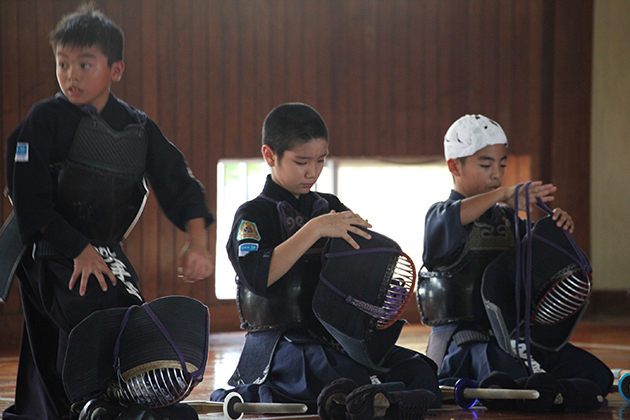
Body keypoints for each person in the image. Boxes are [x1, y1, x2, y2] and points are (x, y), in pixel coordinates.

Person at [3, 4, 214, 420]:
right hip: (44, 242)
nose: (71, 75)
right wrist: (77, 249)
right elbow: (27, 197)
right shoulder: (43, 120)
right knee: (90, 304)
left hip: (103, 246)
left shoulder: (138, 127)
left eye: (85, 64)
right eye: (62, 63)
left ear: (115, 70)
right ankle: (91, 405)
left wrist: (198, 241)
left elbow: (178, 181)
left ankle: (55, 409)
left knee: (125, 308)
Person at [210, 103, 441, 412]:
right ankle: (384, 403)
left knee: (418, 370)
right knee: (350, 379)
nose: (312, 172)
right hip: (283, 343)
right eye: (301, 161)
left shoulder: (328, 205)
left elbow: (359, 265)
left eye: (321, 160)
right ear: (269, 155)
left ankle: (388, 402)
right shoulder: (253, 214)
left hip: (336, 336)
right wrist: (315, 229)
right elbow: (257, 277)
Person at [419, 114, 613, 397]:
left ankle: (552, 394)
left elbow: (541, 260)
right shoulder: (439, 217)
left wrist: (557, 228)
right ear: (454, 166)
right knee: (517, 376)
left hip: (514, 339)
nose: (497, 174)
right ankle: (549, 392)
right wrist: (504, 193)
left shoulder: (509, 220)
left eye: (502, 164)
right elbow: (455, 216)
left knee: (597, 376)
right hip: (465, 346)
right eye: (485, 165)